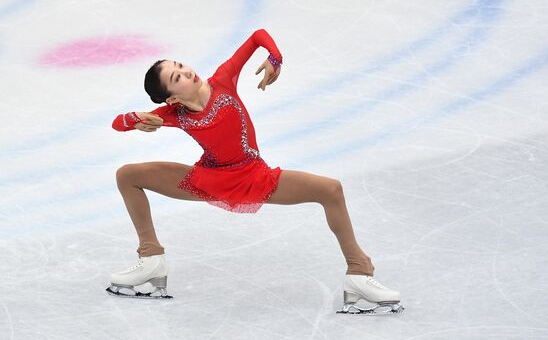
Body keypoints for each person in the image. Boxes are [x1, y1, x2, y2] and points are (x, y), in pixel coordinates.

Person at [107, 29, 403, 314]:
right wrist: (137, 118)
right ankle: (151, 260)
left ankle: (359, 273)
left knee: (331, 190)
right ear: (171, 98)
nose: (187, 73)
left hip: (253, 177)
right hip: (209, 179)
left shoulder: (222, 79)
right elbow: (117, 124)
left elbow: (257, 36)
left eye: (182, 66)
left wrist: (275, 59)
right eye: (177, 77)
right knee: (127, 175)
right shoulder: (173, 114)